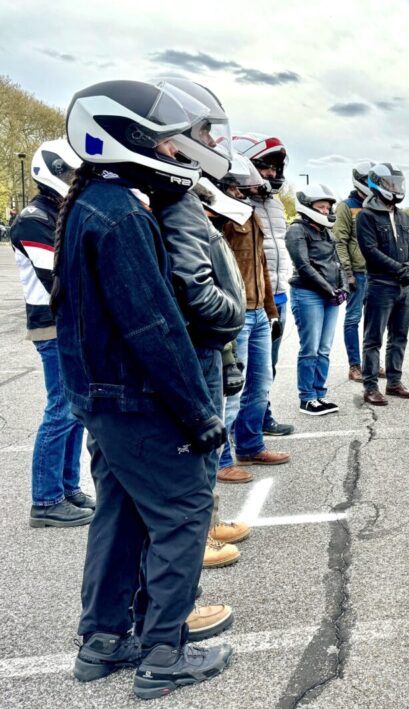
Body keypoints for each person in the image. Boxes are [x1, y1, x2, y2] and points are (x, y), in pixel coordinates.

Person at [57, 79, 231, 698]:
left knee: (122, 513)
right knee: (182, 514)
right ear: (124, 135)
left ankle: (102, 640)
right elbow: (153, 328)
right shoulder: (125, 215)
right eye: (161, 138)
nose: (175, 149)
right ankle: (164, 652)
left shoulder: (89, 205)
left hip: (104, 400)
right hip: (139, 401)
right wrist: (200, 413)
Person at [150, 78, 251, 639]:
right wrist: (232, 317)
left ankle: (208, 527)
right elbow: (193, 284)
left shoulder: (181, 196)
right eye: (203, 132)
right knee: (191, 465)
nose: (211, 141)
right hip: (199, 346)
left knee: (198, 462)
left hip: (203, 347)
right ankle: (193, 556)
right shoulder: (173, 201)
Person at [10, 139, 93, 528]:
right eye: (70, 172)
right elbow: (57, 276)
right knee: (60, 409)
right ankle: (45, 500)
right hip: (52, 325)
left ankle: (68, 487)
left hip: (68, 325)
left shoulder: (58, 212)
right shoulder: (33, 218)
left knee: (75, 410)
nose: (75, 179)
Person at [214, 155, 290, 483]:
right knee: (230, 391)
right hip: (237, 315)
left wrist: (271, 311)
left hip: (259, 312)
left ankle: (250, 444)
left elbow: (261, 268)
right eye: (236, 188)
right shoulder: (218, 219)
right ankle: (220, 460)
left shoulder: (250, 216)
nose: (243, 193)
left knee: (261, 384)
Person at [232, 133, 294, 437]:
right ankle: (236, 429)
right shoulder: (233, 203)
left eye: (274, 168)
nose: (271, 174)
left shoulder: (275, 204)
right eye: (265, 167)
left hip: (276, 295)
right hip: (245, 301)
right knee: (240, 373)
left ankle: (260, 418)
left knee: (266, 368)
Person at [356, 163, 409, 406]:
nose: (395, 188)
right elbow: (370, 251)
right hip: (380, 285)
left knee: (399, 336)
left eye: (397, 184)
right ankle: (370, 386)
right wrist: (399, 269)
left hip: (404, 287)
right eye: (390, 184)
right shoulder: (366, 216)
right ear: (378, 185)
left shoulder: (405, 217)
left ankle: (394, 382)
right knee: (373, 338)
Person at [286, 184, 347, 414]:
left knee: (324, 348)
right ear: (307, 207)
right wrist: (328, 289)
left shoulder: (327, 232)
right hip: (308, 294)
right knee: (310, 348)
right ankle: (307, 397)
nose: (326, 210)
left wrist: (342, 287)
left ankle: (320, 394)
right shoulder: (297, 230)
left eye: (328, 207)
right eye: (321, 207)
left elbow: (338, 262)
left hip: (329, 296)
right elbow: (303, 266)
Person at [333, 160, 382, 381]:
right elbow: (340, 241)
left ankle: (372, 363)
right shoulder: (347, 206)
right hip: (358, 274)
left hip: (377, 274)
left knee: (375, 322)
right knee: (353, 319)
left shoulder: (378, 206)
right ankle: (354, 366)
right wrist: (348, 272)